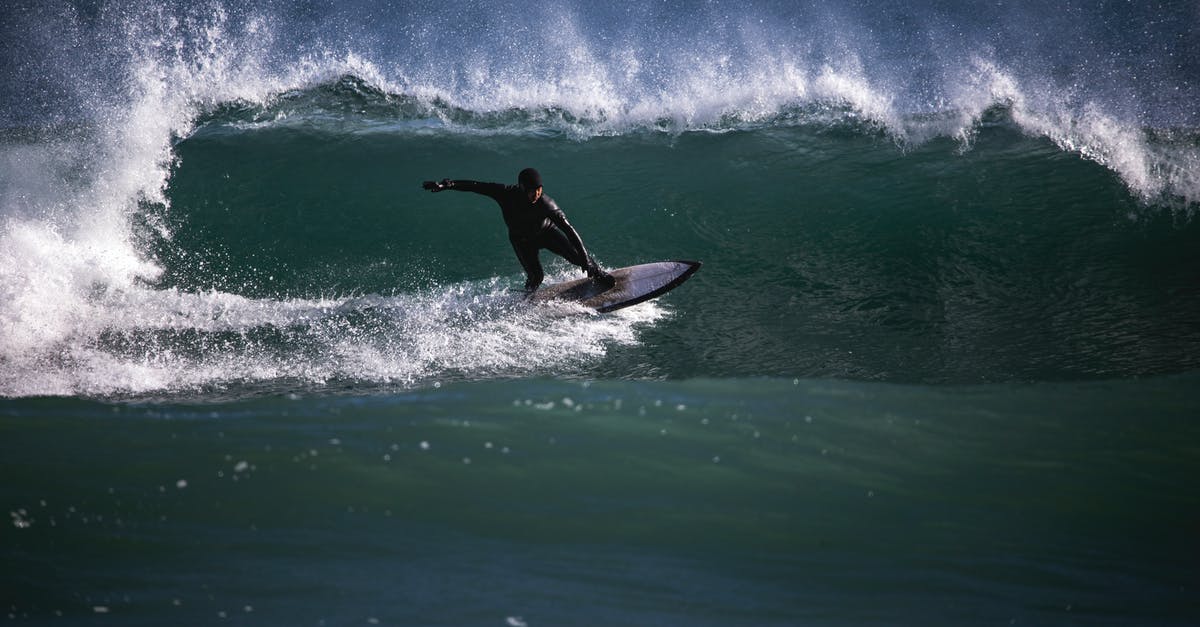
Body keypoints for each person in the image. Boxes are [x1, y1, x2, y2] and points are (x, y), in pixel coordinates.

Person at [422, 168, 615, 291]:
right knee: (536, 276)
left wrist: (584, 259)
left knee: (577, 257)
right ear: (522, 187)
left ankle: (598, 274)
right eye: (532, 190)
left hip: (546, 233)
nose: (536, 194)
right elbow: (476, 186)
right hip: (521, 240)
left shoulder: (547, 204)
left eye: (539, 189)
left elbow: (569, 231)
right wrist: (448, 185)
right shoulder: (506, 194)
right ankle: (528, 299)